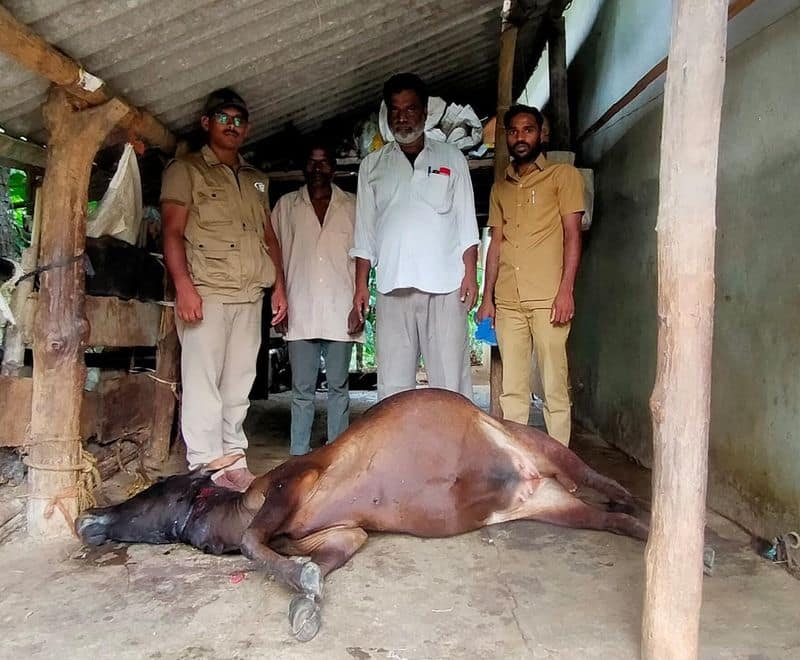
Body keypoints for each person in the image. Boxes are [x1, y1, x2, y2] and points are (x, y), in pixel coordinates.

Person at [160, 88, 287, 490]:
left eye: (239, 120)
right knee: (203, 381)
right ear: (206, 123)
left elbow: (269, 238)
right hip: (208, 293)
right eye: (224, 118)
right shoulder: (186, 170)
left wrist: (279, 287)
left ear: (247, 128)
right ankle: (205, 465)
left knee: (238, 382)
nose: (232, 126)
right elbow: (172, 231)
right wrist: (184, 287)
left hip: (249, 296)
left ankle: (232, 456)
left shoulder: (255, 180)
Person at [350, 73, 479, 401]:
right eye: (395, 110)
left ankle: (453, 452)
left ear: (424, 113)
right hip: (393, 288)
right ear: (387, 115)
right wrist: (361, 286)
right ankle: (399, 452)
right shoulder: (372, 165)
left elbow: (466, 222)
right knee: (393, 387)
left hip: (445, 288)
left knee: (450, 384)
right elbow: (364, 231)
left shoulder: (451, 159)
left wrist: (470, 275)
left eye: (410, 109)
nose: (402, 117)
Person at [477, 104, 585, 445]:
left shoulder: (563, 177)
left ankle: (560, 466)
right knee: (513, 390)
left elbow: (573, 235)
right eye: (513, 131)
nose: (520, 137)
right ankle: (519, 465)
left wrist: (566, 290)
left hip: (549, 298)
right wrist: (487, 299)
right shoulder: (500, 188)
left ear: (542, 134)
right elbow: (496, 244)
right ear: (505, 137)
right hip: (508, 301)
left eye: (527, 129)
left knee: (554, 386)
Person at [271, 140, 363, 456]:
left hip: (342, 308)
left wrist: (359, 301)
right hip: (299, 307)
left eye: (324, 163)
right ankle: (299, 455)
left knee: (339, 388)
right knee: (301, 391)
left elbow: (364, 255)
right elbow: (273, 254)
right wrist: (277, 297)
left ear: (334, 169)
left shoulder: (352, 206)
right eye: (312, 162)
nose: (318, 169)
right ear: (303, 167)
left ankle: (336, 454)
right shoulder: (286, 206)